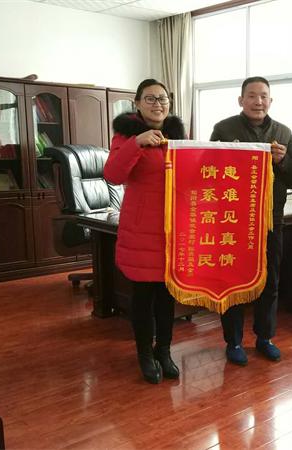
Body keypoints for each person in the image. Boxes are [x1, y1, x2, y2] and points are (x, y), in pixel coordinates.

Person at [210, 76, 292, 366]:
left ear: (270, 101)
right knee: (233, 281)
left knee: (270, 280)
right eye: (251, 95)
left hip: (271, 220)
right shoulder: (224, 129)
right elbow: (207, 169)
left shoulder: (283, 132)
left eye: (263, 96)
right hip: (233, 221)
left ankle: (265, 338)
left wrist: (282, 161)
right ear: (241, 100)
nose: (258, 101)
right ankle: (234, 341)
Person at [104, 79, 186, 384]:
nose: (157, 104)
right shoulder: (126, 135)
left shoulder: (177, 136)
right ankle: (144, 354)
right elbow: (113, 175)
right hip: (141, 229)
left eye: (162, 99)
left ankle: (163, 350)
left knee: (167, 295)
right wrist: (137, 143)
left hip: (172, 229)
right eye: (150, 99)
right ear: (137, 103)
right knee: (142, 296)